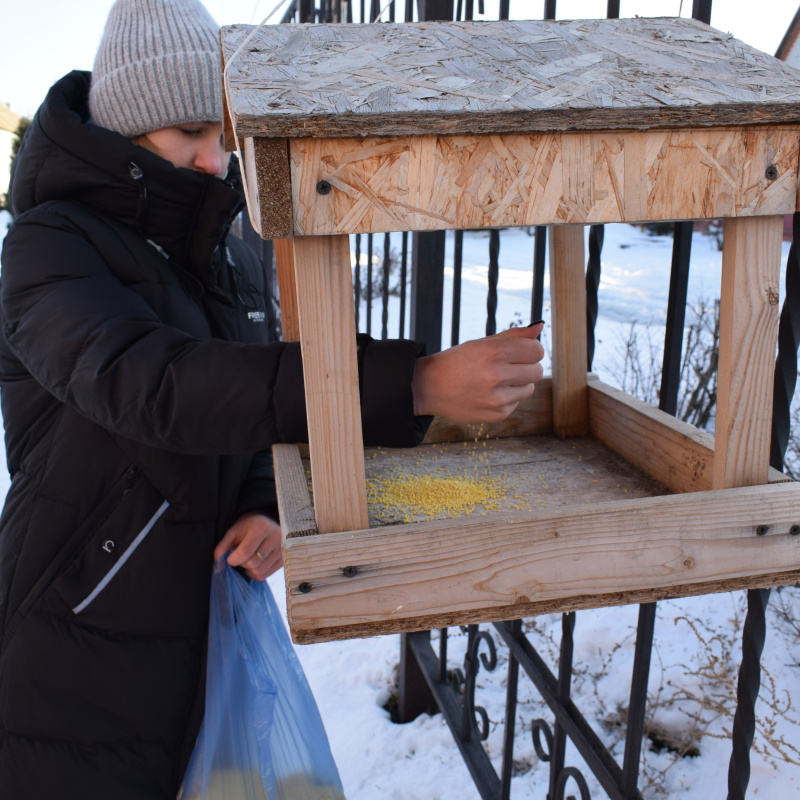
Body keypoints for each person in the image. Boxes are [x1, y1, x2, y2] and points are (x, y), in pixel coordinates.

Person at [0, 0, 545, 797]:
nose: (214, 159)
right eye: (191, 132)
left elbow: (251, 402)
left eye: (223, 134)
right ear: (126, 125)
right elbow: (160, 385)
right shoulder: (49, 244)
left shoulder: (229, 242)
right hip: (75, 640)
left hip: (202, 631)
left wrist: (265, 501)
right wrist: (416, 383)